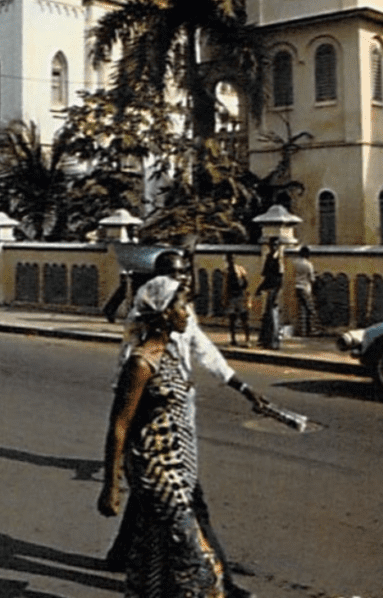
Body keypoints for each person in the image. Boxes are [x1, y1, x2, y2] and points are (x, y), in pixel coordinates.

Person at [104, 252, 266, 598]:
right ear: (163, 310)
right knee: (190, 542)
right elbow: (120, 419)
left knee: (152, 539)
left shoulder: (177, 334)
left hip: (178, 450)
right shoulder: (141, 355)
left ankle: (128, 563)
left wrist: (243, 387)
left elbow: (206, 352)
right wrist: (112, 484)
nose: (186, 299)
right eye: (179, 283)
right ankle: (221, 584)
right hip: (159, 463)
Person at [255, 236, 284, 349]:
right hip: (269, 289)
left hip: (275, 290)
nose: (274, 247)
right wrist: (260, 288)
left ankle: (275, 342)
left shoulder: (279, 259)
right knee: (267, 316)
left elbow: (280, 279)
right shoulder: (269, 257)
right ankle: (266, 341)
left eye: (276, 245)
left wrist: (276, 294)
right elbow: (266, 276)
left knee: (274, 317)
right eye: (272, 245)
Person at [222, 254, 250, 346]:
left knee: (244, 318)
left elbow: (246, 283)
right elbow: (226, 286)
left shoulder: (240, 269)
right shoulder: (226, 271)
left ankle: (247, 339)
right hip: (232, 297)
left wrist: (247, 296)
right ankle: (233, 339)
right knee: (232, 319)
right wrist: (225, 298)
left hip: (239, 296)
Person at [291, 245, 318, 337]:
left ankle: (302, 331)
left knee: (302, 310)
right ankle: (312, 330)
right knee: (311, 310)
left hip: (297, 286)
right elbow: (312, 279)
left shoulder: (295, 263)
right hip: (305, 288)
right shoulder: (308, 264)